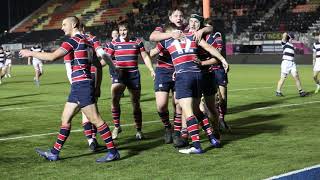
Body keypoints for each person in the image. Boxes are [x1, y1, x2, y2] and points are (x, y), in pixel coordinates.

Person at [19, 16, 119, 163]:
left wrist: (31, 53)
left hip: (82, 85)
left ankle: (113, 152)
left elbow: (53, 56)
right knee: (65, 119)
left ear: (73, 24)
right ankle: (54, 153)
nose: (62, 27)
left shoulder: (74, 40)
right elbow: (97, 64)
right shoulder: (87, 41)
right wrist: (98, 84)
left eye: (64, 24)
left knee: (96, 119)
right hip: (79, 86)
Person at [151, 23, 228, 154]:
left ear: (169, 32)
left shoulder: (166, 40)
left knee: (188, 112)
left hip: (183, 76)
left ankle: (197, 146)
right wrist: (222, 59)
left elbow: (153, 40)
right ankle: (213, 139)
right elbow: (208, 47)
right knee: (198, 110)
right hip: (198, 75)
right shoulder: (192, 36)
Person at [149, 8, 213, 147]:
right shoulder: (164, 29)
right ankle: (167, 127)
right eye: (175, 15)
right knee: (161, 105)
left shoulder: (188, 28)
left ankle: (179, 134)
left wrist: (202, 31)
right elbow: (152, 37)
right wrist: (171, 35)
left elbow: (210, 27)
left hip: (182, 71)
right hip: (163, 70)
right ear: (170, 18)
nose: (179, 18)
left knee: (180, 104)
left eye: (181, 15)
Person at [106, 22, 155, 140]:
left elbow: (145, 57)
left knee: (135, 103)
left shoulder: (137, 42)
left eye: (125, 30)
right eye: (121, 30)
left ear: (130, 30)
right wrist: (97, 67)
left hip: (133, 75)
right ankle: (117, 126)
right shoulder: (113, 43)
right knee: (114, 99)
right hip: (120, 75)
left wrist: (151, 70)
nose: (123, 32)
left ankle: (139, 130)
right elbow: (106, 58)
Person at [276, 32, 308, 97]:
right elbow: (284, 34)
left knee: (296, 77)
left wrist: (301, 49)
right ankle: (278, 91)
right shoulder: (284, 43)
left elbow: (300, 51)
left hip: (292, 63)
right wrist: (288, 35)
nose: (292, 39)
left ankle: (301, 91)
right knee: (283, 78)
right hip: (285, 63)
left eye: (292, 38)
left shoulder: (293, 46)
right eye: (291, 38)